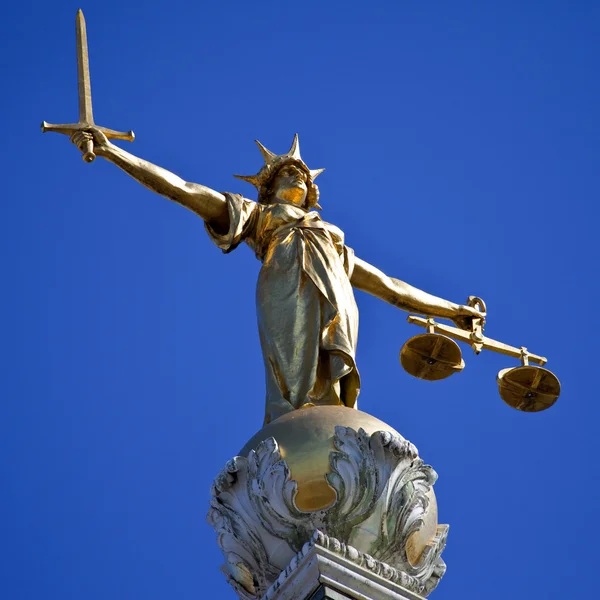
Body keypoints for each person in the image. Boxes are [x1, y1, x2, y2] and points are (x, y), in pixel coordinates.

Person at [71, 130, 484, 424]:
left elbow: (389, 286)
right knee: (293, 377)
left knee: (332, 377)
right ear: (266, 190)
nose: (299, 178)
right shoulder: (260, 217)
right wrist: (112, 153)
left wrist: (453, 312)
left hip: (338, 299)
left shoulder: (332, 238)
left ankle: (331, 419)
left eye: (303, 176)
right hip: (286, 289)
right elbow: (183, 189)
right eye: (288, 174)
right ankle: (296, 421)